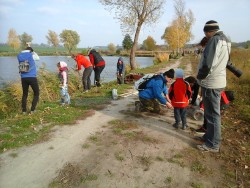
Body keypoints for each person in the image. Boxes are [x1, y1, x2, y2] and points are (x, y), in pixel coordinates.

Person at [196, 20, 230, 152]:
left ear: (209, 31)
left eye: (206, 33)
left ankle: (213, 144)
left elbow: (208, 64)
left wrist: (200, 77)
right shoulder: (226, 40)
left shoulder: (214, 40)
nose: (206, 36)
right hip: (218, 80)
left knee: (212, 114)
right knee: (210, 114)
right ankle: (209, 137)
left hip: (211, 83)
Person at [17, 46, 39, 114]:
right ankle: (32, 110)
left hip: (23, 78)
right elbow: (38, 58)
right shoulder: (31, 55)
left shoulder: (19, 55)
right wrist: (33, 52)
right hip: (32, 77)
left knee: (25, 94)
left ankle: (24, 111)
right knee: (36, 93)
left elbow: (23, 54)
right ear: (31, 51)